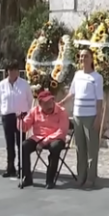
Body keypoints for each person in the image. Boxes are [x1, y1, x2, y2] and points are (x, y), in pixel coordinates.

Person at [60, 49, 104, 189]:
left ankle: (91, 178)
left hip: (90, 116)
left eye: (86, 56)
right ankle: (81, 176)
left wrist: (98, 117)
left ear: (91, 59)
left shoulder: (97, 77)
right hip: (78, 115)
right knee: (80, 148)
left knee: (91, 148)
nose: (83, 58)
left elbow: (99, 100)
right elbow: (72, 93)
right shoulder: (78, 75)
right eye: (81, 56)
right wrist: (61, 103)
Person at [19, 90, 70, 189]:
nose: (49, 105)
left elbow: (62, 131)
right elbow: (25, 127)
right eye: (46, 103)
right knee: (24, 146)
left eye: (51, 101)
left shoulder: (61, 111)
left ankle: (50, 180)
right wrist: (19, 120)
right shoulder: (34, 111)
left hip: (56, 138)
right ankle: (27, 178)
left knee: (55, 148)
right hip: (38, 137)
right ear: (40, 103)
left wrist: (45, 142)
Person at [0, 61, 33, 178]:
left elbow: (29, 99)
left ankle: (22, 168)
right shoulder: (2, 85)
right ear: (7, 71)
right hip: (7, 116)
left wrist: (25, 113)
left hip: (21, 116)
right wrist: (4, 110)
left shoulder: (24, 84)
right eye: (10, 70)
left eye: (15, 70)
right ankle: (10, 167)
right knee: (9, 143)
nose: (12, 72)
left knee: (20, 143)